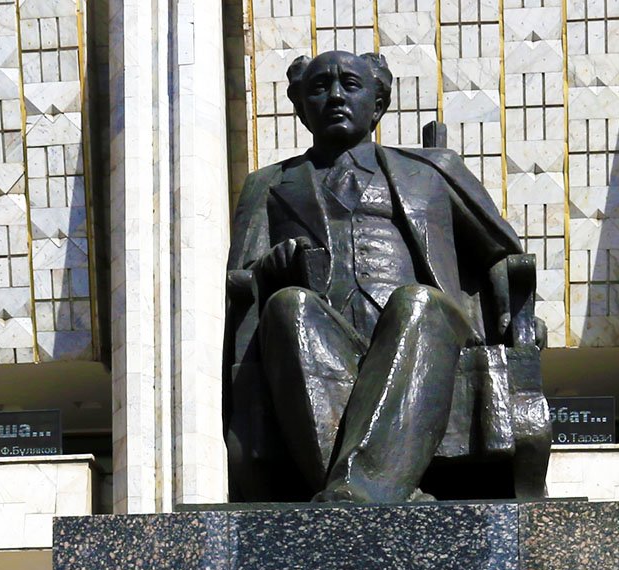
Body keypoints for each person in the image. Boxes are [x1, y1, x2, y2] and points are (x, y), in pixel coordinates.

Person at [224, 50, 530, 503]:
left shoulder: (431, 170)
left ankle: (362, 489)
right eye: (319, 88)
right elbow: (240, 279)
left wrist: (514, 312)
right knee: (288, 304)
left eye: (350, 85)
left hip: (423, 335)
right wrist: (272, 268)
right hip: (322, 345)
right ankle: (370, 491)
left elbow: (500, 253)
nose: (335, 96)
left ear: (378, 103)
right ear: (301, 108)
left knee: (418, 301)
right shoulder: (268, 183)